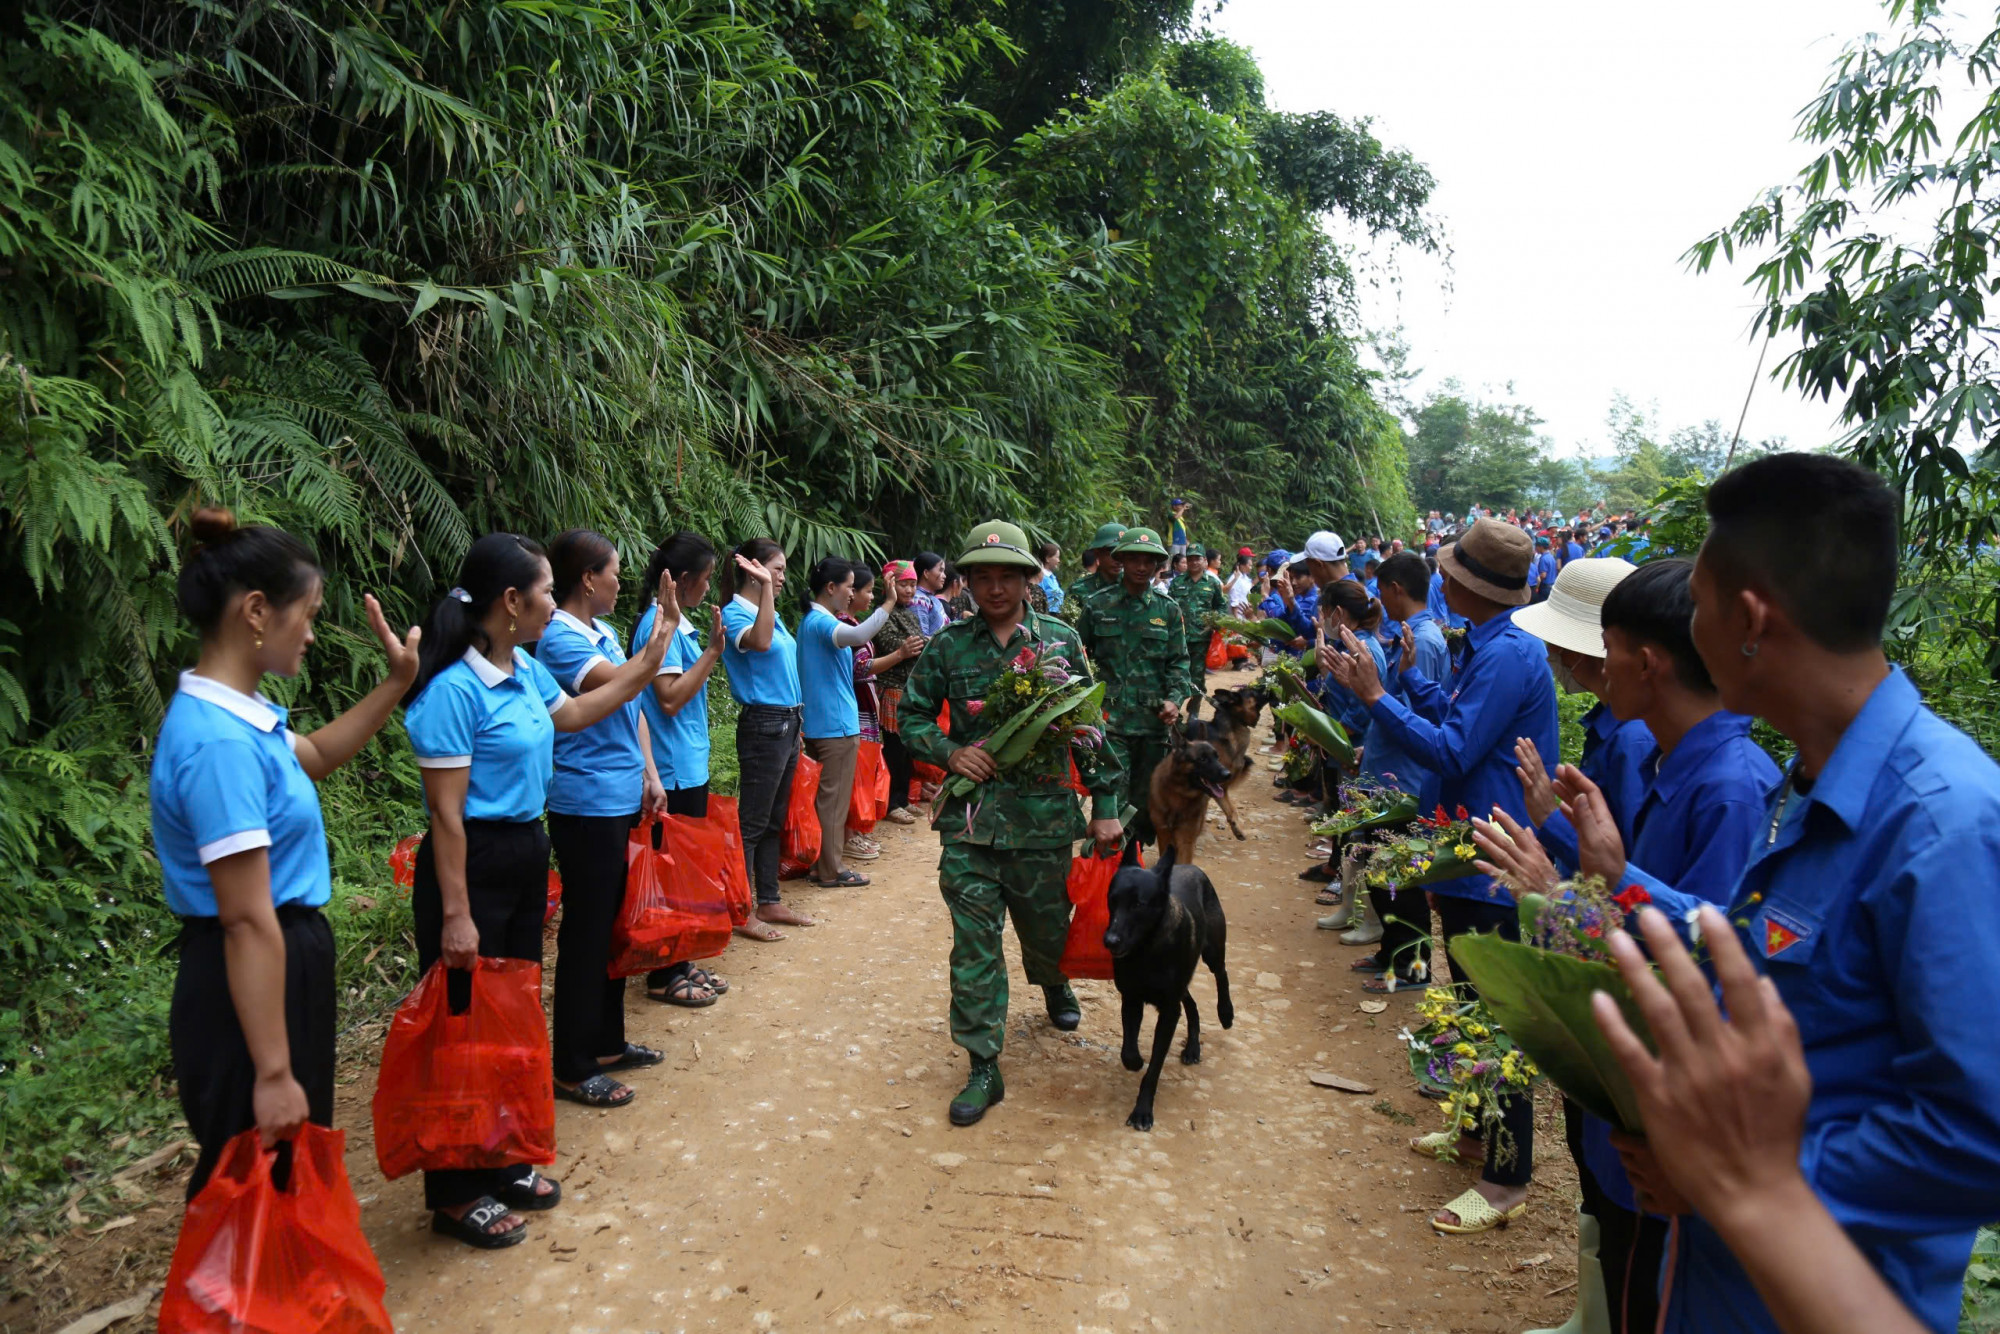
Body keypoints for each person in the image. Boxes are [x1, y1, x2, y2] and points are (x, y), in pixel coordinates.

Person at [1539, 454, 2000, 1334]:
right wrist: (1621, 879)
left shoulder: (1945, 823)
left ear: (1748, 620)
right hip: (1717, 1283)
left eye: (1700, 605)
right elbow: (1757, 954)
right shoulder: (1807, 782)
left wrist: (1744, 1181)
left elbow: (1981, 1133)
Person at [402, 532, 671, 1246]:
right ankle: (457, 1191)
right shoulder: (452, 689)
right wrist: (456, 914)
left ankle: (504, 1153)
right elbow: (447, 816)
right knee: (466, 1026)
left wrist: (649, 661)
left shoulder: (520, 667)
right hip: (473, 864)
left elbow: (578, 714)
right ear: (511, 601)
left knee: (510, 1012)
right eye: (548, 591)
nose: (555, 602)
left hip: (524, 849)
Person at [154, 510, 419, 1202]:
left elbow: (318, 755)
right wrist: (273, 1072)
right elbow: (245, 920)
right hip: (249, 974)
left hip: (278, 964)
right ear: (255, 612)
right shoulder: (219, 745)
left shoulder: (244, 718)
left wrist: (395, 682)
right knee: (254, 1181)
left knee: (281, 1180)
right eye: (307, 614)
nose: (310, 632)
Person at [1322, 517, 1557, 1236]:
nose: (1442, 580)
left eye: (1449, 572)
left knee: (1496, 1015)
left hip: (1489, 856)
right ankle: (1470, 1129)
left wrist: (1377, 697)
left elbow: (1454, 752)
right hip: (1462, 849)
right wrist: (1412, 684)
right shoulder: (1481, 646)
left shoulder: (1509, 654)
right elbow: (1457, 723)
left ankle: (1507, 1174)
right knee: (1462, 1001)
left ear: (1463, 585)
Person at [1594, 906, 1930, 1334]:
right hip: (1711, 1276)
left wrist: (1726, 1181)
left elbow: (1970, 1135)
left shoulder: (1939, 853)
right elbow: (1749, 926)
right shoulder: (1796, 839)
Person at [900, 521, 1124, 1125]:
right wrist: (949, 751)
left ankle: (1053, 981)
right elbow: (912, 714)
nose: (994, 588)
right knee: (974, 945)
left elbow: (1090, 726)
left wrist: (1104, 806)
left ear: (1029, 579)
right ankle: (982, 1062)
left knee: (1048, 931)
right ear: (967, 582)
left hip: (1045, 822)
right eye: (982, 577)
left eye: (1006, 576)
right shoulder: (949, 646)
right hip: (971, 824)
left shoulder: (1059, 641)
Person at [535, 530, 670, 1111]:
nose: (621, 580)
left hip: (620, 792)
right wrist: (662, 633)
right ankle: (571, 1063)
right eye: (614, 570)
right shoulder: (560, 639)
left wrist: (649, 772)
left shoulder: (606, 633)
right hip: (584, 801)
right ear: (588, 578)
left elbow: (632, 705)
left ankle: (607, 1043)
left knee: (612, 925)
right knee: (586, 934)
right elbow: (618, 685)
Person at [1319, 551, 1447, 943]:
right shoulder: (1412, 635)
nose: (1380, 603)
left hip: (1401, 773)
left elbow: (1411, 716)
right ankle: (1390, 953)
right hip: (1385, 761)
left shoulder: (1421, 642)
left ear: (1395, 589)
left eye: (1382, 592)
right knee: (1376, 856)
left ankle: (1406, 962)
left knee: (1393, 869)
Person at [632, 531, 730, 1004]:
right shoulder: (659, 627)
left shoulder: (675, 626)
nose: (710, 588)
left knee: (685, 871)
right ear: (684, 579)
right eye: (707, 579)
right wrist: (712, 653)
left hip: (687, 763)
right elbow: (668, 699)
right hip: (669, 768)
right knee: (671, 871)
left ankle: (681, 960)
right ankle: (662, 972)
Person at [1510, 557, 1654, 876]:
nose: (1549, 652)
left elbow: (1624, 866)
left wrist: (1548, 817)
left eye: (1554, 641)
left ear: (1575, 651)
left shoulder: (1633, 739)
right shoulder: (1611, 723)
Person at [720, 538, 814, 940]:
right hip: (764, 723)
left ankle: (769, 899)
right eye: (775, 570)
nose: (781, 578)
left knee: (773, 819)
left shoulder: (766, 611)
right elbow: (759, 644)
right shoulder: (735, 613)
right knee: (753, 822)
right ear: (753, 569)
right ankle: (740, 909)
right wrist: (762, 590)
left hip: (788, 723)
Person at [1077, 527, 1190, 862]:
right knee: (1114, 796)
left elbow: (1179, 663)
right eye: (1134, 559)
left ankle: (1134, 862)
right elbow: (1079, 658)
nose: (1142, 567)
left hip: (1153, 725)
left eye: (1150, 561)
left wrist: (1174, 699)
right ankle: (1116, 868)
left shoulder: (1168, 610)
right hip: (1110, 724)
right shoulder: (1097, 607)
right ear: (1121, 560)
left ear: (1158, 565)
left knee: (1145, 804)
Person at [797, 556, 894, 888]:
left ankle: (823, 864)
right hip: (835, 723)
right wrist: (889, 604)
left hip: (824, 721)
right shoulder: (822, 623)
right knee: (834, 801)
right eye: (850, 587)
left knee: (828, 799)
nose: (852, 594)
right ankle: (831, 868)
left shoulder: (812, 621)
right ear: (831, 588)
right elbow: (860, 635)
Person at [871, 560, 930, 827]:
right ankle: (892, 802)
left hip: (910, 688)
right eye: (904, 584)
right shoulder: (883, 613)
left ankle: (904, 798)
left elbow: (916, 643)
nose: (909, 590)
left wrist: (918, 645)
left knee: (907, 748)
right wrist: (915, 646)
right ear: (890, 585)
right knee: (894, 748)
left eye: (913, 584)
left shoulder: (911, 613)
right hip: (893, 688)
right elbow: (890, 644)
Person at [1169, 545, 1227, 720]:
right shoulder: (1177, 582)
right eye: (1190, 558)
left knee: (1197, 675)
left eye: (1197, 558)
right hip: (1178, 638)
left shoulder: (1213, 583)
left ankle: (1194, 710)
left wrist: (1213, 624)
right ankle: (1174, 708)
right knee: (1176, 673)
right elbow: (1168, 606)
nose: (1194, 562)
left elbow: (1221, 607)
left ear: (1205, 561)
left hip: (1201, 638)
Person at [1067, 522, 1126, 611]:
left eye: (1124, 554)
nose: (1119, 560)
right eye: (1112, 553)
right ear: (1097, 553)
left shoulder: (1135, 588)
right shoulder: (1078, 590)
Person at [912, 551, 950, 637]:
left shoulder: (932, 599)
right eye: (941, 570)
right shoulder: (918, 600)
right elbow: (922, 637)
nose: (944, 576)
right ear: (926, 573)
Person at [1037, 542, 1065, 616]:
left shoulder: (1052, 577)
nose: (1058, 561)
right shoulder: (1040, 577)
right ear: (1047, 558)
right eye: (1057, 557)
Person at [1224, 549, 1256, 614]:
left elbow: (1249, 586)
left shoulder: (1244, 577)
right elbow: (1234, 599)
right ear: (1242, 565)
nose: (1251, 568)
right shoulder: (1235, 578)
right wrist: (1237, 620)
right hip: (1238, 616)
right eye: (1249, 565)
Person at [1529, 535, 1557, 602]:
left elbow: (1543, 575)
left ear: (1541, 547)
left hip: (1545, 587)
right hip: (1552, 585)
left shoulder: (1543, 558)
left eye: (1537, 546)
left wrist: (1536, 584)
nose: (1535, 548)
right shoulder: (1551, 556)